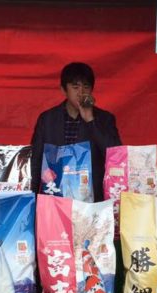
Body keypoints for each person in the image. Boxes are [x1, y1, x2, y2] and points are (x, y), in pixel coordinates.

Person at [30, 62, 122, 201]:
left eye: (86, 87)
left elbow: (115, 156)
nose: (81, 92)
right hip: (54, 196)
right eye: (75, 87)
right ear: (63, 90)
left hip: (91, 200)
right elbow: (36, 161)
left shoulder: (105, 119)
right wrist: (31, 198)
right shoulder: (47, 119)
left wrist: (91, 120)